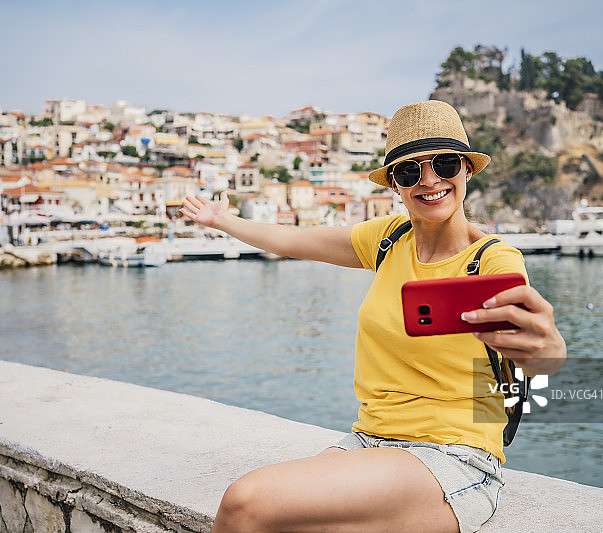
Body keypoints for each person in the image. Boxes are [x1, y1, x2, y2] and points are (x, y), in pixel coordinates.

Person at [181, 100, 566, 533]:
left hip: (454, 456)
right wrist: (222, 220)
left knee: (245, 502)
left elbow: (534, 354)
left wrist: (549, 350)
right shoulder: (387, 240)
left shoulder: (494, 261)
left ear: (467, 170)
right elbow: (290, 240)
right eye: (409, 172)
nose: (429, 181)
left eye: (443, 164)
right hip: (368, 442)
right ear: (395, 186)